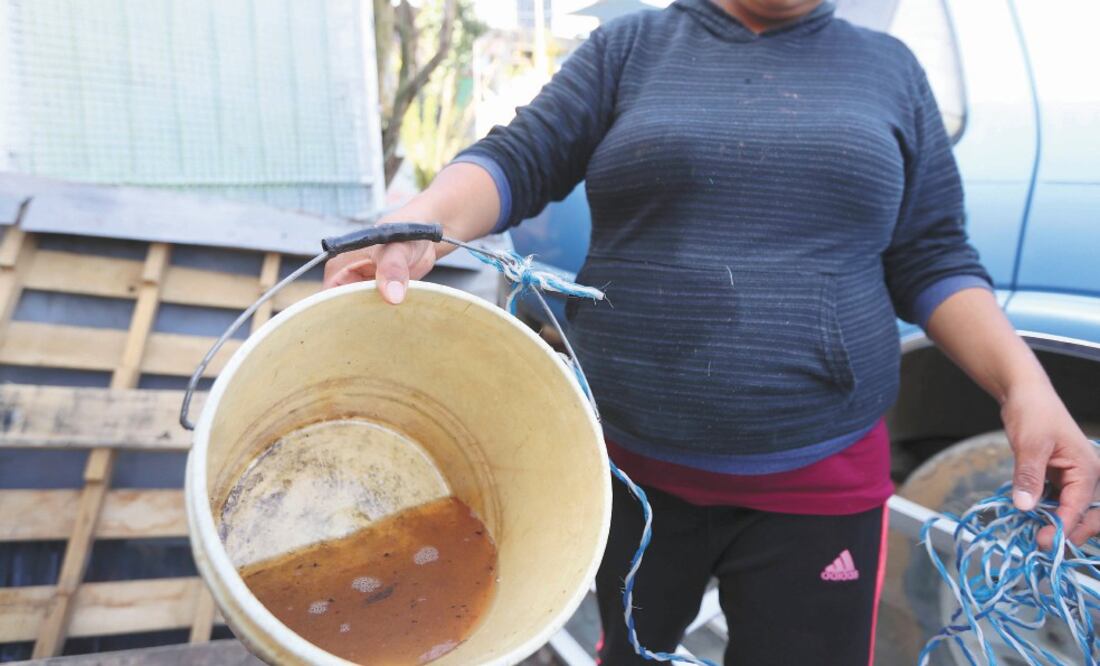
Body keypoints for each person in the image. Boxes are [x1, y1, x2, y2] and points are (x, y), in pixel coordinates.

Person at [324, 0, 1100, 663]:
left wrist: (1024, 384)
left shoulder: (890, 71)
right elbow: (518, 160)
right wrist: (421, 221)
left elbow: (932, 256)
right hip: (633, 477)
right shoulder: (630, 48)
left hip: (820, 486)